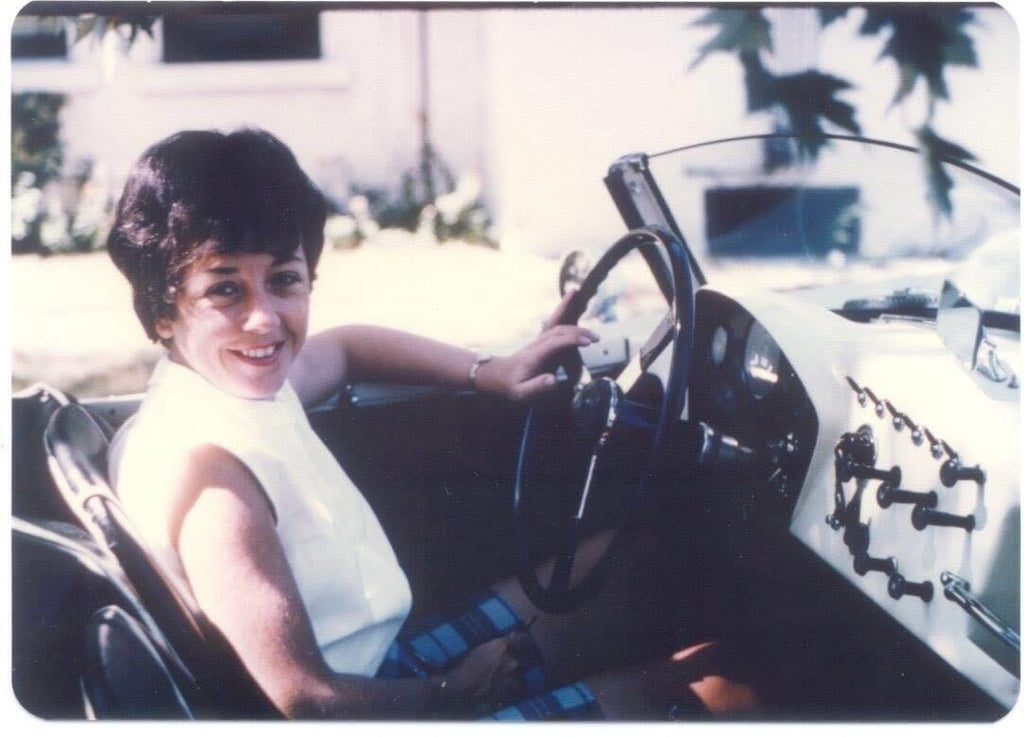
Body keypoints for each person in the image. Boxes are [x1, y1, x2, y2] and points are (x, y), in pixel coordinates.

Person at [106, 128, 757, 720]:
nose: (266, 320)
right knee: (732, 684)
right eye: (226, 289)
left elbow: (347, 346)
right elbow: (303, 700)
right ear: (163, 310)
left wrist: (493, 372)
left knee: (629, 557)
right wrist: (459, 690)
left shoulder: (231, 387)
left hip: (387, 662)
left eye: (284, 280)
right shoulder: (213, 477)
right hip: (376, 705)